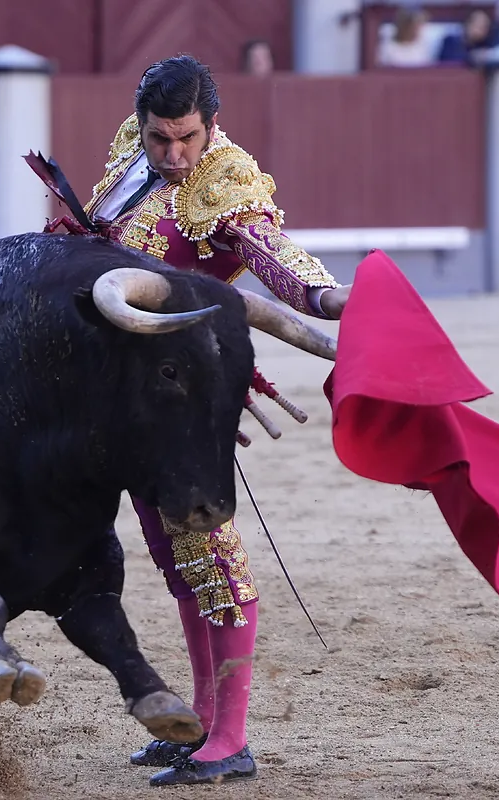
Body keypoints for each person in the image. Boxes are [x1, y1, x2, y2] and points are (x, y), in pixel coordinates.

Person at [79, 54, 351, 787]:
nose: (173, 155)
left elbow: (272, 253)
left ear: (213, 126)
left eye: (187, 139)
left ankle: (230, 739)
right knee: (175, 562)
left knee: (213, 559)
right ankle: (200, 725)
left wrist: (327, 300)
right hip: (128, 392)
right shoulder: (133, 155)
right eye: (160, 138)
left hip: (186, 395)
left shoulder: (226, 179)